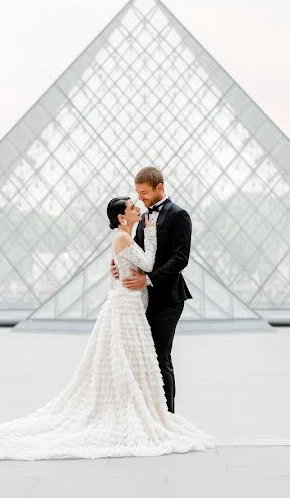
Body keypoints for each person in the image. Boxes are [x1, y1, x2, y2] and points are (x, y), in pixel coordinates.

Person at [0, 193, 213, 460]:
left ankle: (151, 412)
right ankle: (149, 414)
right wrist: (147, 237)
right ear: (122, 216)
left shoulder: (129, 235)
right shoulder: (127, 237)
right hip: (127, 306)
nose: (139, 205)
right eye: (133, 204)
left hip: (130, 304)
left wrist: (132, 260)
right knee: (135, 362)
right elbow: (147, 261)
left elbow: (141, 264)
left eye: (141, 198)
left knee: (137, 362)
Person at [111, 166, 192, 414]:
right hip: (142, 300)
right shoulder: (143, 219)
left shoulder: (179, 215)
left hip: (168, 297)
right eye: (138, 193)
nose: (141, 198)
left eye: (144, 193)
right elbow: (135, 253)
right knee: (146, 357)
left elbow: (180, 258)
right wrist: (118, 267)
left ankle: (168, 417)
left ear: (160, 187)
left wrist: (148, 280)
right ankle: (150, 413)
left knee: (160, 356)